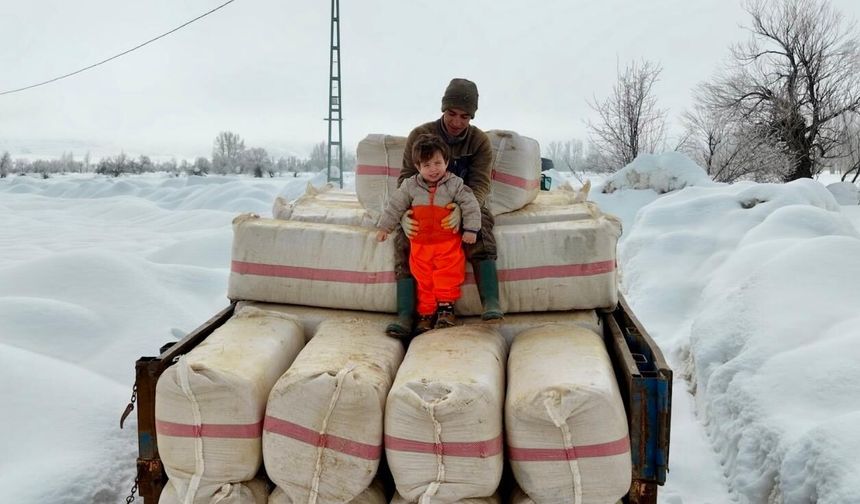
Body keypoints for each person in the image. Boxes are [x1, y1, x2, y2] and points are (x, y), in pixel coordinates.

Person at [386, 78, 503, 338]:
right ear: (443, 109)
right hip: (423, 203)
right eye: (452, 113)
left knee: (482, 222)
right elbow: (406, 177)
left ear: (472, 116)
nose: (457, 121)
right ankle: (406, 314)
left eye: (464, 116)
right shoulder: (421, 135)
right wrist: (404, 214)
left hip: (461, 200)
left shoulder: (479, 142)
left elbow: (480, 184)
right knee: (405, 237)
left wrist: (463, 210)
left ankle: (491, 301)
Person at [377, 134, 482, 333]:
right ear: (417, 167)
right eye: (427, 165)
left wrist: (470, 228)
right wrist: (385, 227)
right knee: (423, 278)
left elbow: (470, 204)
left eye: (438, 163)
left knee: (447, 275)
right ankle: (425, 314)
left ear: (447, 162)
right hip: (420, 245)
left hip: (447, 244)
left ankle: (445, 310)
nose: (433, 169)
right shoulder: (410, 186)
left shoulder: (455, 184)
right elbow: (395, 205)